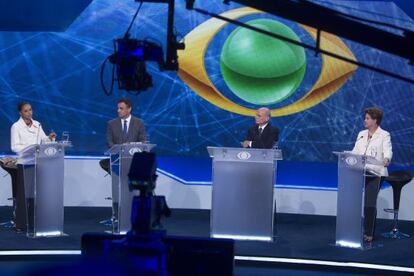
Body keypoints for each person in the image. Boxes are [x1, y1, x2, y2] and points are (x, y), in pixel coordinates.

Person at [8, 102, 56, 231]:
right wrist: (29, 148)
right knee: (24, 196)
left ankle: (34, 223)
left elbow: (43, 141)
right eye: (26, 111)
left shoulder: (37, 125)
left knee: (35, 195)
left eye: (30, 110)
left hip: (37, 163)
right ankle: (21, 224)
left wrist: (49, 138)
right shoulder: (16, 127)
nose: (29, 113)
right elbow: (14, 147)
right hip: (24, 164)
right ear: (20, 113)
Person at [352, 107, 392, 242]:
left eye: (368, 118)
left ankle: (368, 233)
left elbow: (388, 151)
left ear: (375, 120)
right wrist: (348, 158)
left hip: (376, 172)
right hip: (360, 170)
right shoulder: (361, 134)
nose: (365, 120)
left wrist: (387, 159)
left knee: (369, 202)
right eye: (365, 118)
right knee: (360, 202)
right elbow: (355, 152)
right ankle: (356, 229)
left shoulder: (384, 135)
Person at [99, 98, 146, 173]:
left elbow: (143, 141)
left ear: (129, 109)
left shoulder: (139, 123)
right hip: (118, 158)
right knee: (104, 163)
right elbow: (109, 142)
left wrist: (131, 150)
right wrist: (120, 151)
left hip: (133, 158)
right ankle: (119, 176)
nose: (118, 110)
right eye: (118, 108)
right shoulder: (111, 124)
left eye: (121, 108)